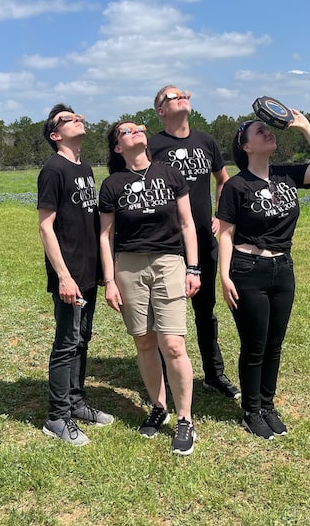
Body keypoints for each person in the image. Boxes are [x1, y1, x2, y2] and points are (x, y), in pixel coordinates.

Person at [216, 109, 310, 440]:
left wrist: (306, 126)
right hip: (247, 269)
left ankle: (267, 405)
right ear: (246, 147)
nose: (267, 132)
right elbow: (225, 234)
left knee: (274, 344)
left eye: (268, 129)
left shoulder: (285, 175)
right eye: (258, 131)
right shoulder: (236, 186)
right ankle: (251, 410)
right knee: (254, 345)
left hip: (282, 269)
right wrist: (224, 277)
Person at [99, 120, 200, 456]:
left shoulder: (170, 175)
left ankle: (184, 418)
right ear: (117, 147)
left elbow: (187, 224)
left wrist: (193, 267)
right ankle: (159, 407)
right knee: (144, 341)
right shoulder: (112, 184)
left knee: (172, 344)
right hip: (128, 266)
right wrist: (110, 279)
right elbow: (106, 236)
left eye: (139, 128)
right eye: (126, 131)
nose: (136, 131)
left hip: (169, 262)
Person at [148, 85, 241, 400]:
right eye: (174, 96)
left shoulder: (206, 141)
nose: (183, 97)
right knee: (166, 316)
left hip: (203, 239)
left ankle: (214, 375)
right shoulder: (152, 146)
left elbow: (223, 179)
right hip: (168, 244)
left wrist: (219, 214)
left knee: (206, 311)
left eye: (185, 93)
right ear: (161, 110)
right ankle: (163, 378)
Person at [37, 104, 114, 446]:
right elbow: (45, 226)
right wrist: (64, 276)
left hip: (87, 271)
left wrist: (97, 268)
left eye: (77, 115)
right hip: (68, 275)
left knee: (83, 339)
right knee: (67, 342)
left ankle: (76, 402)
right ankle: (56, 417)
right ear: (56, 135)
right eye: (67, 119)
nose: (77, 119)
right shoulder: (54, 169)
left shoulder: (85, 168)